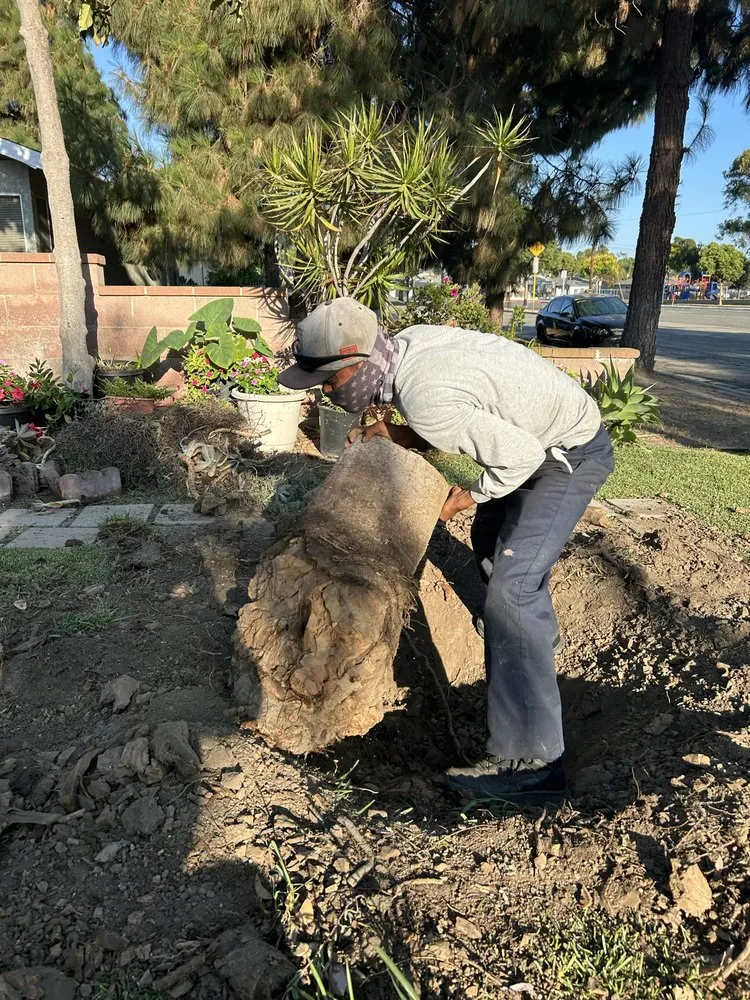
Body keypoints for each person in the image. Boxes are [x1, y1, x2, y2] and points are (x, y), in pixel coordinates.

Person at [279, 296, 614, 804]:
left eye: (329, 381)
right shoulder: (406, 349)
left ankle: (534, 766)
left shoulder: (424, 392)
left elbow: (518, 456)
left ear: (358, 363)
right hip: (539, 436)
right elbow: (462, 408)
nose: (326, 393)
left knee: (512, 588)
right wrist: (395, 431)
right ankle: (531, 641)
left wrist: (461, 498)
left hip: (565, 454)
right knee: (491, 539)